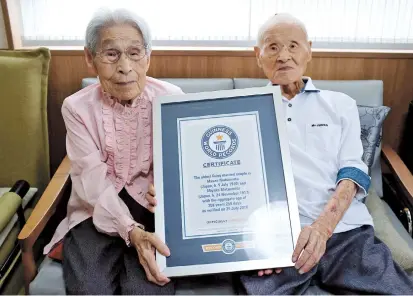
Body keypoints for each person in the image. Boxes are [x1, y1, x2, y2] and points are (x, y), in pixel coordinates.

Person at [228, 13, 413, 294]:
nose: (283, 56)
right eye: (273, 47)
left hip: (344, 231)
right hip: (278, 236)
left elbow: (353, 169)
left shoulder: (340, 104)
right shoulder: (241, 108)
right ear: (258, 54)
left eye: (293, 45)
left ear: (309, 50)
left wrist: (322, 229)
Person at [43, 8, 183, 294]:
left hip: (153, 209)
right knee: (88, 287)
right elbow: (91, 181)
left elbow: (183, 165)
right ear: (89, 58)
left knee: (148, 287)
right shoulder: (76, 107)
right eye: (111, 54)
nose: (124, 67)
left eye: (134, 53)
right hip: (95, 206)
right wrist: (129, 229)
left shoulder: (171, 98)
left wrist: (171, 192)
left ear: (148, 56)